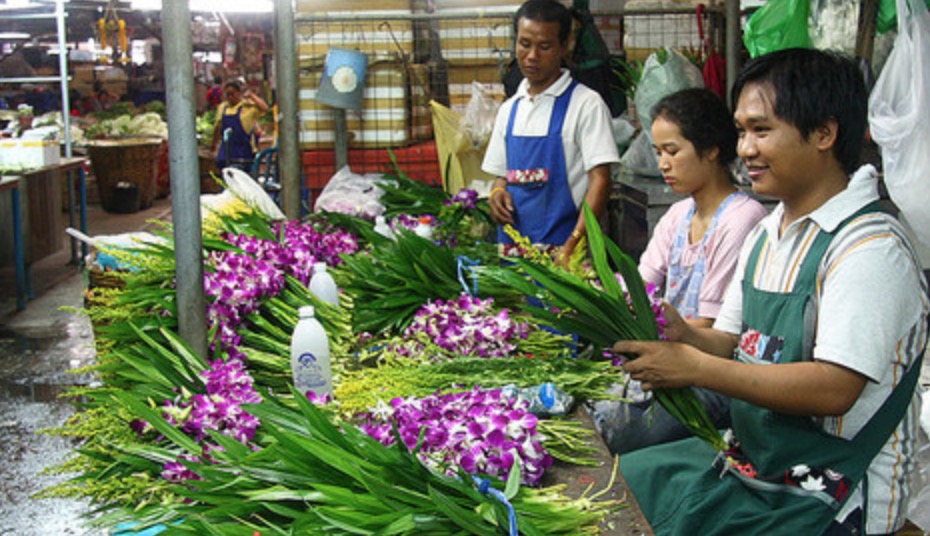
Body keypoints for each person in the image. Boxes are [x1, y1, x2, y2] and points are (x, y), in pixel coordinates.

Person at [615, 48, 928, 535]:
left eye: (762, 130)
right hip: (757, 464)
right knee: (622, 486)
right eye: (742, 131)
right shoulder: (768, 232)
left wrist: (696, 367)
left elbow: (834, 388)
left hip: (835, 489)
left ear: (824, 133)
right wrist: (683, 334)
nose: (744, 148)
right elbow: (733, 341)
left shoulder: (869, 247)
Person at [591, 88, 768, 454]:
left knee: (618, 433)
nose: (662, 165)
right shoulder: (678, 215)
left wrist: (661, 332)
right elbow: (639, 287)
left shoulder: (741, 218)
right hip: (669, 356)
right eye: (658, 153)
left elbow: (716, 331)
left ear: (712, 149)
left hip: (713, 375)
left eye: (672, 151)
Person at [482, 0, 619, 263]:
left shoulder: (586, 104)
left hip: (565, 254)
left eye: (544, 46)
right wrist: (497, 194)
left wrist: (574, 245)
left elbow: (600, 180)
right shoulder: (509, 109)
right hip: (515, 258)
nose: (532, 56)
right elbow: (501, 176)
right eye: (524, 44)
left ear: (565, 45)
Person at [211, 79, 268, 172]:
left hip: (243, 150)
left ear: (238, 93)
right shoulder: (223, 107)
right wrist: (213, 145)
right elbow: (217, 127)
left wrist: (252, 95)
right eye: (227, 94)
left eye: (232, 94)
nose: (230, 97)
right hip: (227, 150)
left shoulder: (247, 106)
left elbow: (264, 108)